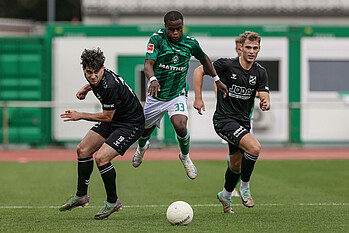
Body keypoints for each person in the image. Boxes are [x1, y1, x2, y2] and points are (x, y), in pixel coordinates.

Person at [132, 10, 227, 180]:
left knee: (181, 125)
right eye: (171, 29)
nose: (175, 33)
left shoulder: (190, 43)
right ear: (165, 27)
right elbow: (148, 64)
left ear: (183, 27)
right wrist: (152, 78)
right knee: (144, 131)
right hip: (156, 94)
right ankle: (141, 148)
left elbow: (204, 59)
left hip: (177, 94)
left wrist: (217, 79)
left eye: (179, 29)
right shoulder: (157, 39)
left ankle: (185, 156)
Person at [59, 48, 145, 220]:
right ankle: (81, 196)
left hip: (130, 124)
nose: (93, 76)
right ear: (84, 69)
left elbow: (107, 116)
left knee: (101, 158)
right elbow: (95, 83)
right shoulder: (95, 78)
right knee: (82, 150)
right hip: (115, 119)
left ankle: (113, 201)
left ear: (103, 68)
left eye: (96, 72)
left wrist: (80, 115)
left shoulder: (109, 86)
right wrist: (86, 88)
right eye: (89, 72)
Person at [193, 31, 270, 214]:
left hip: (243, 122)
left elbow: (264, 93)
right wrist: (198, 98)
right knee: (254, 148)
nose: (251, 51)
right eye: (248, 47)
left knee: (236, 164)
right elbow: (198, 70)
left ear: (259, 49)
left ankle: (225, 195)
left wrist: (265, 102)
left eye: (255, 48)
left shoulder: (260, 71)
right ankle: (244, 186)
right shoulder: (226, 65)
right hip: (223, 120)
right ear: (241, 48)